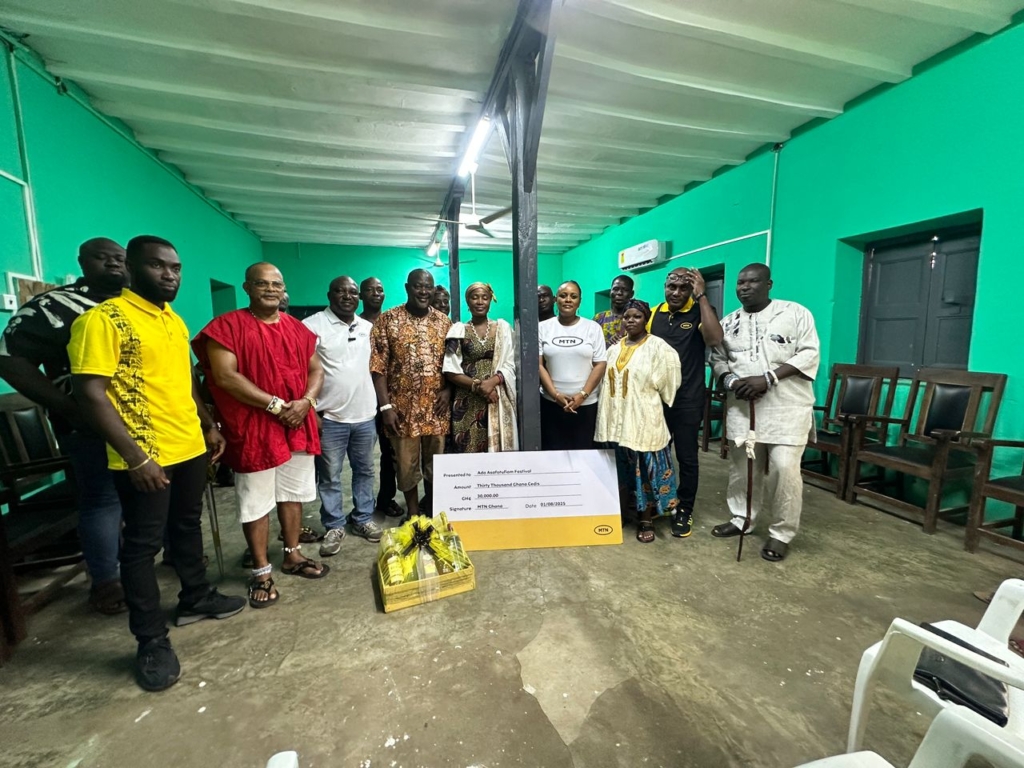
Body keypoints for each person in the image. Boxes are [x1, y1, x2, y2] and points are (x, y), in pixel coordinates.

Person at [69, 235, 245, 692]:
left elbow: (184, 380)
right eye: (157, 266)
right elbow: (90, 393)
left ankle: (195, 596)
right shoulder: (103, 320)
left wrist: (207, 424)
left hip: (188, 445)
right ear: (131, 268)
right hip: (145, 454)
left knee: (186, 526)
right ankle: (150, 641)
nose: (169, 275)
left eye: (175, 267)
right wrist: (136, 457)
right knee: (141, 547)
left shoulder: (172, 319)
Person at [0, 237, 129, 615]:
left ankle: (158, 559)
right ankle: (106, 581)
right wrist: (66, 406)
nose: (114, 264)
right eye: (102, 258)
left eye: (120, 258)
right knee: (103, 499)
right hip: (90, 426)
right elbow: (9, 360)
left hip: (152, 422)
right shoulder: (54, 306)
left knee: (156, 492)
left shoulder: (139, 304)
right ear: (82, 262)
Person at [193, 262, 329, 613]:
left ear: (284, 289)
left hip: (296, 423)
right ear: (247, 287)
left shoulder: (298, 329)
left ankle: (292, 554)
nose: (270, 289)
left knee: (293, 495)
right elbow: (225, 376)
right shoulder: (227, 327)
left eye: (276, 284)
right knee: (255, 500)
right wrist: (275, 405)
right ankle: (261, 570)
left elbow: (316, 370)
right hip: (254, 427)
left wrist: (306, 401)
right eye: (262, 283)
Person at [709, 263, 820, 562]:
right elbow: (718, 358)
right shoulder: (728, 322)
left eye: (753, 281)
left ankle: (781, 533)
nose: (744, 287)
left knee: (784, 470)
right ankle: (742, 519)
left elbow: (809, 353)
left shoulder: (795, 313)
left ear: (769, 284)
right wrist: (731, 381)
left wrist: (768, 378)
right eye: (740, 282)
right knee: (743, 469)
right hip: (743, 407)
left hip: (787, 407)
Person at [303, 276, 382, 556]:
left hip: (365, 416)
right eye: (340, 291)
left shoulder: (368, 328)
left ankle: (362, 519)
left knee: (365, 471)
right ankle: (334, 525)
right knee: (330, 476)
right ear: (329, 295)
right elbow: (301, 371)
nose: (347, 296)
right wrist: (311, 410)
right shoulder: (312, 326)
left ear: (358, 297)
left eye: (352, 292)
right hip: (330, 417)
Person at [596, 300, 682, 543]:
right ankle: (621, 512)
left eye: (636, 317)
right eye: (627, 317)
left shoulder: (659, 347)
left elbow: (670, 382)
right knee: (619, 469)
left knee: (644, 470)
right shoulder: (613, 349)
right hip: (615, 419)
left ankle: (646, 519)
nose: (630, 321)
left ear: (646, 319)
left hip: (643, 418)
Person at [647, 266, 724, 539]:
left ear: (692, 290)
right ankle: (659, 502)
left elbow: (714, 339)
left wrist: (702, 297)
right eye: (672, 286)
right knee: (655, 454)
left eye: (684, 288)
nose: (677, 292)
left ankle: (684, 509)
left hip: (688, 399)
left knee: (687, 457)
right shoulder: (654, 313)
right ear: (665, 287)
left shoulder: (700, 311)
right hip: (656, 400)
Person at [370, 269, 451, 518]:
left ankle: (433, 512)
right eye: (418, 286)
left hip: (436, 409)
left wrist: (448, 390)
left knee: (436, 465)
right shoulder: (387, 320)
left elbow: (453, 364)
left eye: (428, 286)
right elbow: (378, 367)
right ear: (407, 288)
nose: (423, 291)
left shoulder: (444, 322)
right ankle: (413, 515)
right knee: (406, 466)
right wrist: (386, 407)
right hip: (401, 410)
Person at [443, 283, 518, 453]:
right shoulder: (458, 330)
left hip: (496, 397)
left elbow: (511, 362)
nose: (479, 302)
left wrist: (492, 382)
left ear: (490, 300)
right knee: (467, 450)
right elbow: (450, 369)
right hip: (467, 398)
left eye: (484, 297)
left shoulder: (503, 329)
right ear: (467, 301)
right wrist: (479, 387)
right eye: (474, 297)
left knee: (495, 456)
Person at [538, 280, 607, 451]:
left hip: (586, 404)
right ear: (556, 299)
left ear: (579, 301)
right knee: (553, 454)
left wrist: (582, 395)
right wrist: (555, 395)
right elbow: (539, 365)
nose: (568, 300)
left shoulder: (593, 328)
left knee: (584, 455)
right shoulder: (543, 328)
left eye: (573, 296)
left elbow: (600, 364)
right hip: (551, 404)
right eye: (563, 295)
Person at [359, 276, 401, 517]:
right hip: (361, 398)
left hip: (387, 399)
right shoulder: (355, 324)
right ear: (361, 295)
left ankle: (386, 498)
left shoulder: (391, 322)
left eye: (380, 289)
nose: (376, 293)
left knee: (390, 453)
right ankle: (361, 507)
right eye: (370, 290)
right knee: (363, 459)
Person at [592, 275, 635, 348]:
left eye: (625, 290)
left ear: (631, 294)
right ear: (610, 292)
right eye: (615, 289)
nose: (619, 293)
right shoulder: (599, 318)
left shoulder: (636, 319)